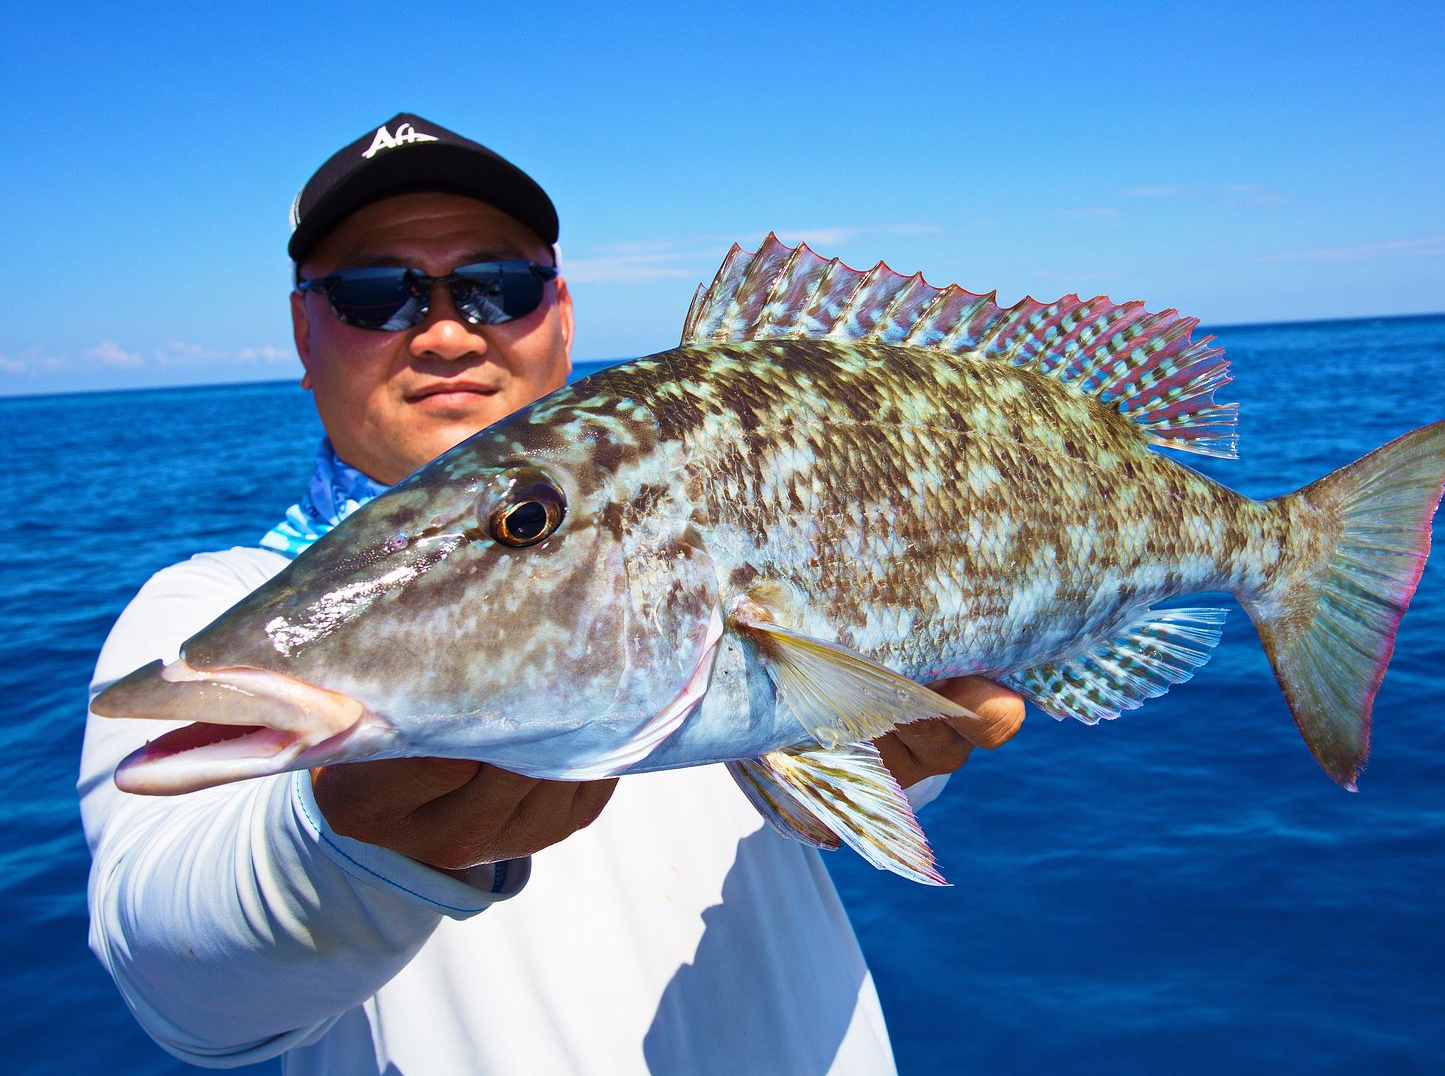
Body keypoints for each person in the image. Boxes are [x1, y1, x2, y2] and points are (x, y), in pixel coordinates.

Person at [80, 114, 1026, 1074]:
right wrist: (345, 851)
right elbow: (179, 987)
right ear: (302, 330)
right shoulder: (202, 611)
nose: (447, 333)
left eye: (499, 286)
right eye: (375, 294)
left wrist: (892, 761)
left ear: (563, 312)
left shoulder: (721, 489)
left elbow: (841, 762)